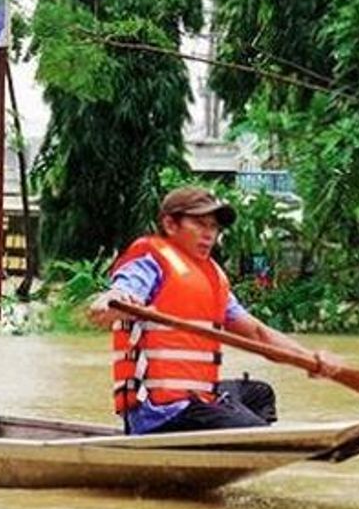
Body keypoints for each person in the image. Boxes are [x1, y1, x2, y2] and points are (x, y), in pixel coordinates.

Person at [88, 185, 344, 435]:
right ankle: (245, 438)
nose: (209, 234)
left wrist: (309, 359)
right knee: (252, 432)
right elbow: (119, 295)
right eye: (199, 224)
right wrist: (111, 301)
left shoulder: (212, 277)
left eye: (213, 227)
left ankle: (228, 436)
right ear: (170, 225)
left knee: (260, 394)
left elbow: (257, 333)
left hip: (195, 401)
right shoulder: (149, 262)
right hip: (161, 412)